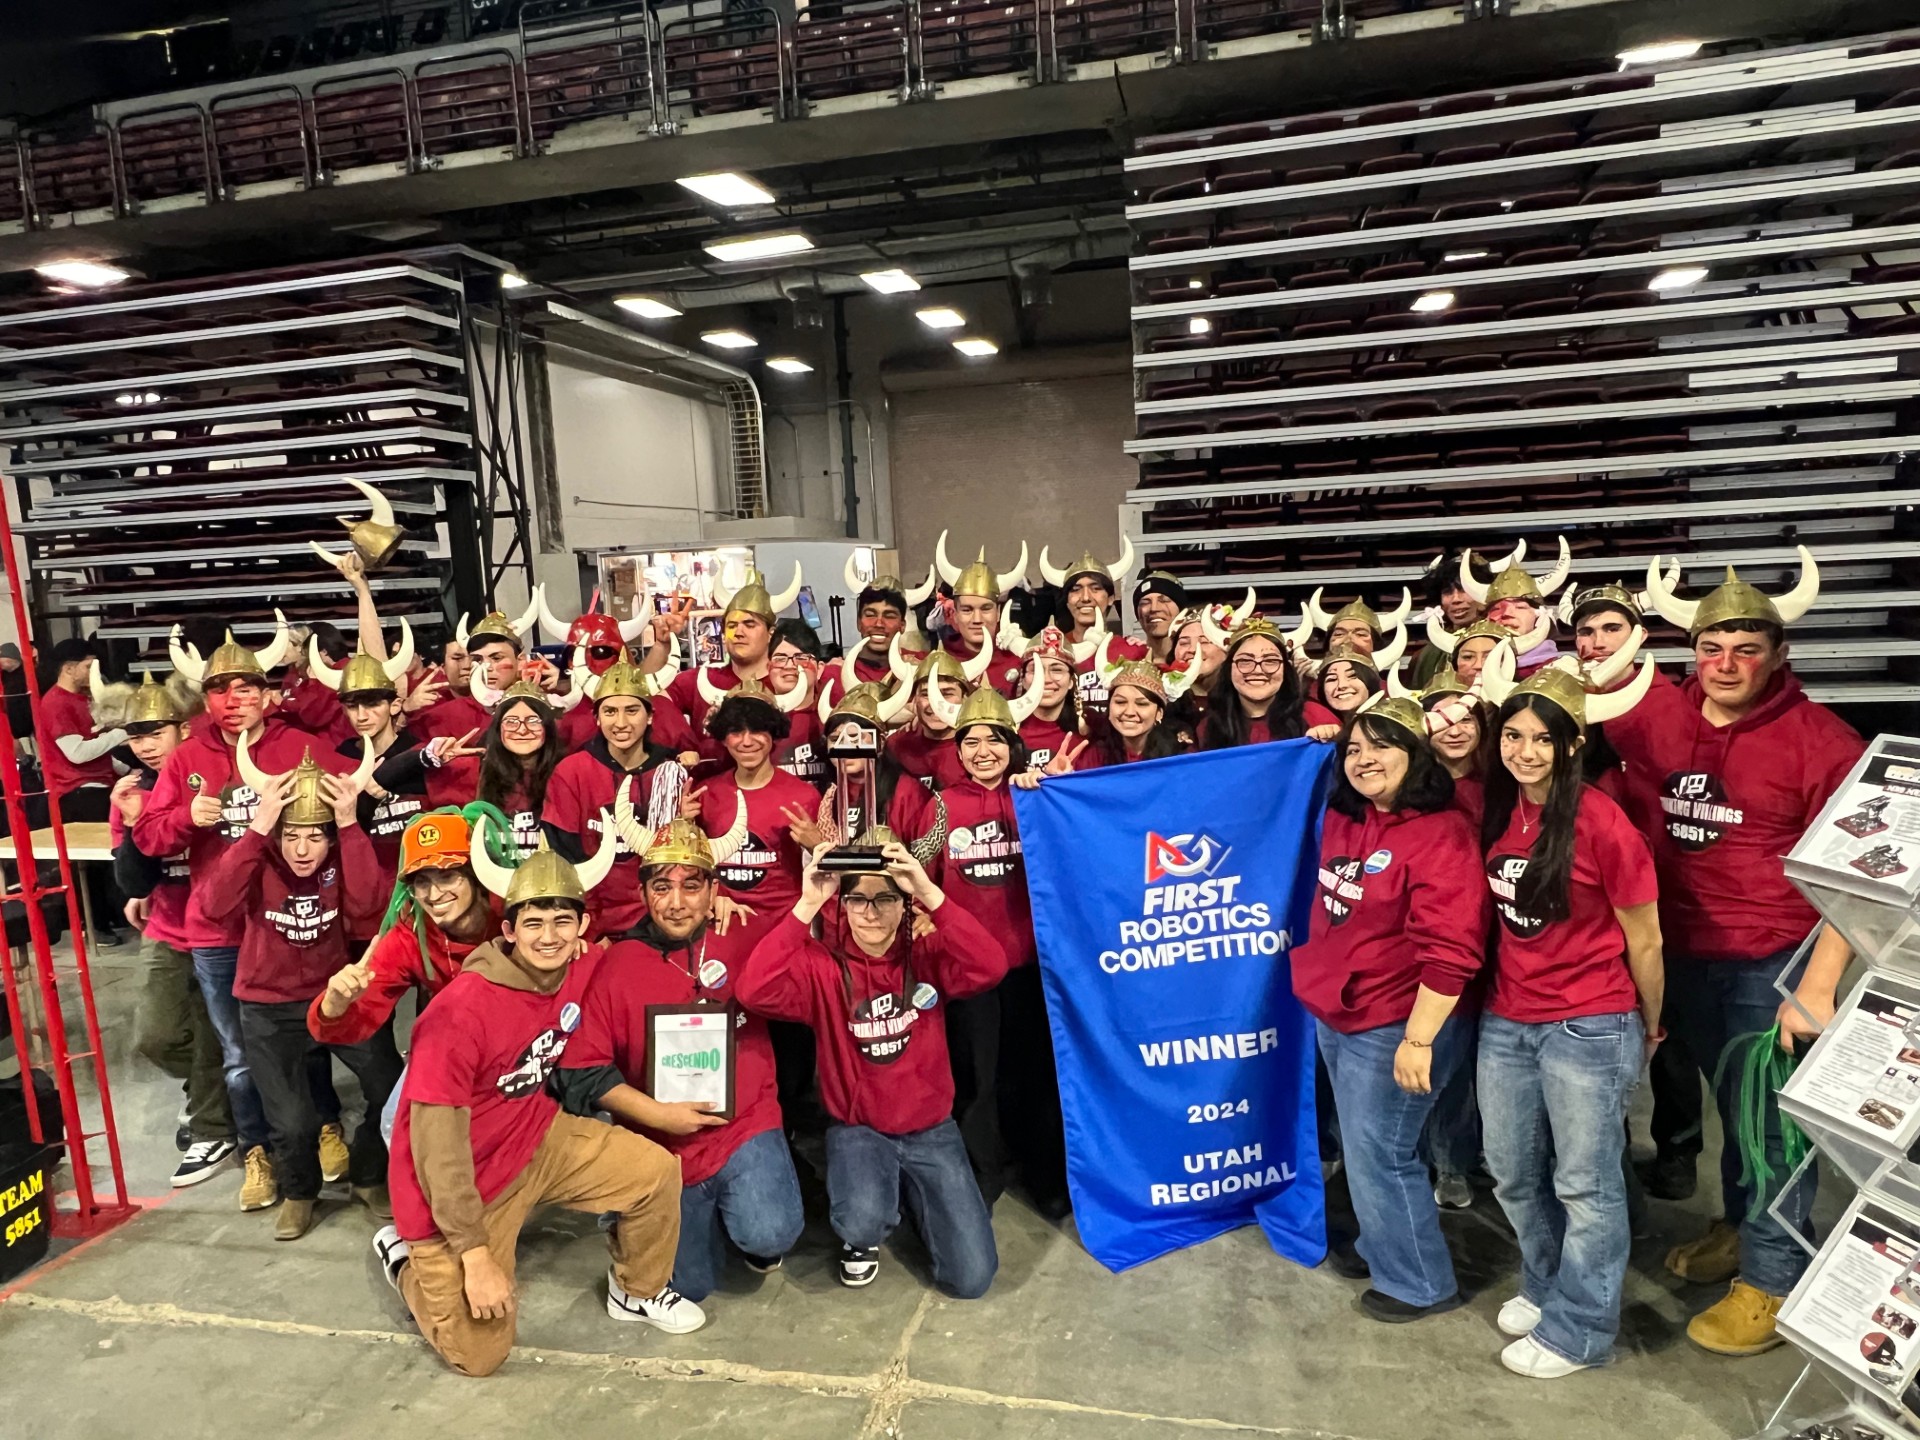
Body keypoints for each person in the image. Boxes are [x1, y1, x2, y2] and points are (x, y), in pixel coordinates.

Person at [1611, 548, 1864, 1356]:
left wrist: (1819, 986)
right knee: (1729, 1116)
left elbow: (1857, 882)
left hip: (1772, 963)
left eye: (1747, 649)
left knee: (1770, 1128)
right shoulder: (1656, 715)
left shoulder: (1823, 742)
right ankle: (1738, 1232)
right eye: (1712, 648)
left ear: (1779, 654)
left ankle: (1775, 1280)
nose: (1727, 664)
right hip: (1679, 957)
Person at [371, 830, 701, 1377]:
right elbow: (436, 1149)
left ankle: (637, 1291)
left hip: (536, 1141)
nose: (548, 937)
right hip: (458, 1185)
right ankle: (404, 1259)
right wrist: (474, 1256)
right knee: (479, 1356)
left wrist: (727, 905)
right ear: (509, 929)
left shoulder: (578, 966)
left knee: (655, 1172)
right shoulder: (460, 1013)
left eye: (561, 922)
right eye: (533, 923)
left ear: (581, 928)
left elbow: (640, 939)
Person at [1472, 651, 1663, 1377]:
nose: (1524, 751)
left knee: (1585, 1184)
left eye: (1542, 739)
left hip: (1591, 1021)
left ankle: (1582, 1328)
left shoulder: (1605, 823)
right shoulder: (1500, 807)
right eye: (1514, 736)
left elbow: (1645, 939)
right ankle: (1547, 1282)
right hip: (1508, 1016)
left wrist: (1649, 1025)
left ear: (1574, 744)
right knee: (1513, 1171)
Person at [135, 620, 355, 1211]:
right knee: (238, 1055)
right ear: (203, 699)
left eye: (246, 690)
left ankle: (323, 1128)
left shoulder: (296, 744)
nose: (234, 703)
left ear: (265, 694)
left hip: (289, 923)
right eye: (220, 692)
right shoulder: (188, 756)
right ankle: (257, 1149)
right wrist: (188, 816)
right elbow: (148, 838)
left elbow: (359, 776)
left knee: (305, 1037)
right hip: (218, 931)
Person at [555, 802, 807, 1302]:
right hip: (661, 1144)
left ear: (715, 890)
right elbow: (582, 1071)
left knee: (770, 1233)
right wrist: (656, 1114)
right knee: (686, 1288)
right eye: (661, 887)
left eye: (692, 886)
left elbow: (821, 950)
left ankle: (741, 1216)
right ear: (643, 892)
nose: (676, 903)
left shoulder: (745, 933)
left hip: (743, 1126)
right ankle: (636, 1218)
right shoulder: (616, 963)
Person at [737, 838, 1009, 1295]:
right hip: (859, 1128)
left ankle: (914, 1198)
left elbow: (992, 965)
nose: (870, 912)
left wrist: (928, 891)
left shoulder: (926, 956)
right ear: (843, 907)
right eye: (858, 899)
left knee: (971, 1279)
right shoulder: (822, 969)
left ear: (904, 906)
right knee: (861, 1222)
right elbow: (752, 990)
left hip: (930, 1130)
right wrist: (807, 904)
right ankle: (866, 1232)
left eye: (885, 898)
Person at [1291, 694, 1488, 1322]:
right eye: (1354, 748)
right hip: (1339, 1010)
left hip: (1398, 1021)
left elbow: (1453, 949)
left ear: (1417, 757)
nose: (1364, 759)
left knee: (1383, 1151)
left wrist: (1420, 1038)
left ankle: (1419, 1281)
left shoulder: (1442, 833)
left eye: (1382, 747)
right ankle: (1382, 1243)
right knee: (1364, 1146)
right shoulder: (1348, 816)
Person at [209, 744, 393, 1240]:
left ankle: (369, 1175)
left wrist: (350, 825)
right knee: (291, 1122)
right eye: (292, 836)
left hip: (335, 996)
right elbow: (214, 904)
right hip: (267, 1005)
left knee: (389, 1087)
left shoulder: (340, 850)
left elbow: (368, 905)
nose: (303, 849)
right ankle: (300, 1192)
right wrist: (258, 829)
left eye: (315, 836)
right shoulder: (260, 855)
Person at [923, 679, 1065, 1213]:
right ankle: (982, 1172)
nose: (984, 752)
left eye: (995, 741)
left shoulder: (1034, 795)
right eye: (972, 743)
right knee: (975, 1077)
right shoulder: (939, 806)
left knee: (1036, 1073)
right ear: (957, 751)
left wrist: (1050, 793)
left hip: (1031, 964)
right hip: (966, 967)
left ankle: (1045, 1173)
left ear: (1014, 744)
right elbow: (922, 881)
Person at [110, 674, 234, 1188]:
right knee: (153, 1038)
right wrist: (137, 826)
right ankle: (208, 1093)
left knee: (211, 1036)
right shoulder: (130, 794)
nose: (144, 746)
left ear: (182, 729)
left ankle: (213, 1126)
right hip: (165, 926)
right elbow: (133, 879)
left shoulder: (208, 773)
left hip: (218, 928)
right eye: (135, 737)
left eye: (154, 733)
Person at [309, 807, 510, 1053]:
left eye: (447, 876)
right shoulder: (411, 935)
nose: (434, 895)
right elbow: (347, 1026)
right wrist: (334, 1004)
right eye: (422, 882)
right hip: (459, 1047)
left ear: (474, 875)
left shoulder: (513, 916)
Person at [543, 659, 680, 935]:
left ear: (650, 715)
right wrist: (591, 929)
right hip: (593, 921)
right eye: (609, 711)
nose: (621, 723)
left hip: (661, 920)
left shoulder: (671, 773)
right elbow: (564, 858)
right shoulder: (572, 772)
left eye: (632, 710)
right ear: (596, 718)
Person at [306, 630, 423, 912]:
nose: (361, 715)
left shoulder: (419, 754)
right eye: (352, 706)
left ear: (394, 705)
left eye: (372, 704)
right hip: (358, 898)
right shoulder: (337, 759)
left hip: (419, 893)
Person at [652, 565, 803, 754]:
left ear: (771, 633)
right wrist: (661, 644)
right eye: (732, 625)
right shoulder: (698, 680)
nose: (738, 632)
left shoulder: (791, 681)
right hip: (710, 782)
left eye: (750, 624)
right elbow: (645, 696)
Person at [427, 683, 566, 857]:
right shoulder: (474, 770)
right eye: (511, 721)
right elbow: (386, 778)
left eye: (533, 721)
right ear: (498, 728)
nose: (522, 729)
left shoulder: (567, 775)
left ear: (548, 728)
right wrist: (428, 757)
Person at [1198, 616, 1335, 748]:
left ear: (1285, 668)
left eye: (1270, 661)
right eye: (1245, 661)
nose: (1258, 670)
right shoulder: (1208, 728)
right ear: (1229, 669)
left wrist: (1335, 738)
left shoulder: (1316, 717)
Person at [1038, 538, 1135, 712]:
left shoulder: (1132, 652)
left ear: (1111, 598)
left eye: (1095, 588)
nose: (1085, 597)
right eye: (1075, 590)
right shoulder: (1050, 651)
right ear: (1067, 601)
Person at [38, 637, 125, 823]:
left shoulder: (81, 698)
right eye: (88, 667)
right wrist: (123, 732)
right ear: (69, 669)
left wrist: (126, 770)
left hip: (94, 787)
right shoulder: (56, 703)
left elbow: (93, 746)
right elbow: (77, 753)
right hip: (79, 792)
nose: (94, 673)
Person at [932, 532, 1027, 697]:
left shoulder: (1020, 661)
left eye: (985, 609)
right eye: (967, 610)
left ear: (998, 613)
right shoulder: (938, 661)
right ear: (954, 615)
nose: (977, 619)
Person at [1457, 538, 1567, 675]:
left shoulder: (1561, 671)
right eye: (1496, 609)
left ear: (1539, 616)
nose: (1506, 613)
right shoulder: (1466, 668)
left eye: (1520, 607)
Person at [826, 561, 935, 700]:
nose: (879, 623)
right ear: (859, 623)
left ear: (902, 625)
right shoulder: (835, 674)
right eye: (870, 615)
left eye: (889, 616)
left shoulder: (925, 665)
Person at [887, 650, 973, 790]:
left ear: (965, 698)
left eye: (947, 694)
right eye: (926, 694)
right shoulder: (896, 745)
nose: (936, 703)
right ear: (914, 700)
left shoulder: (978, 747)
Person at [1411, 548, 1494, 687]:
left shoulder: (1506, 644)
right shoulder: (1423, 656)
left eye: (1464, 590)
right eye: (1447, 592)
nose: (1455, 599)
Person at [1087, 656, 1193, 764]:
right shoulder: (1095, 756)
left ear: (1159, 713)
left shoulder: (1180, 758)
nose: (1129, 712)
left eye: (1142, 704)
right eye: (1120, 702)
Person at [1012, 627, 1090, 772]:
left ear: (1071, 681)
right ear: (1022, 679)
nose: (1045, 679)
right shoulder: (1004, 734)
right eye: (1036, 670)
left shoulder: (1090, 734)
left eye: (1057, 670)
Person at [1301, 590, 1414, 661]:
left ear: (1374, 644)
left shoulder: (1387, 691)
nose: (1349, 639)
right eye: (1339, 634)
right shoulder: (1308, 690)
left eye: (1360, 634)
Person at [1132, 571, 1188, 665]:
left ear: (1181, 611)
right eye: (1145, 603)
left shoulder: (1194, 660)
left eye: (1164, 600)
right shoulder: (1129, 662)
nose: (1154, 608)